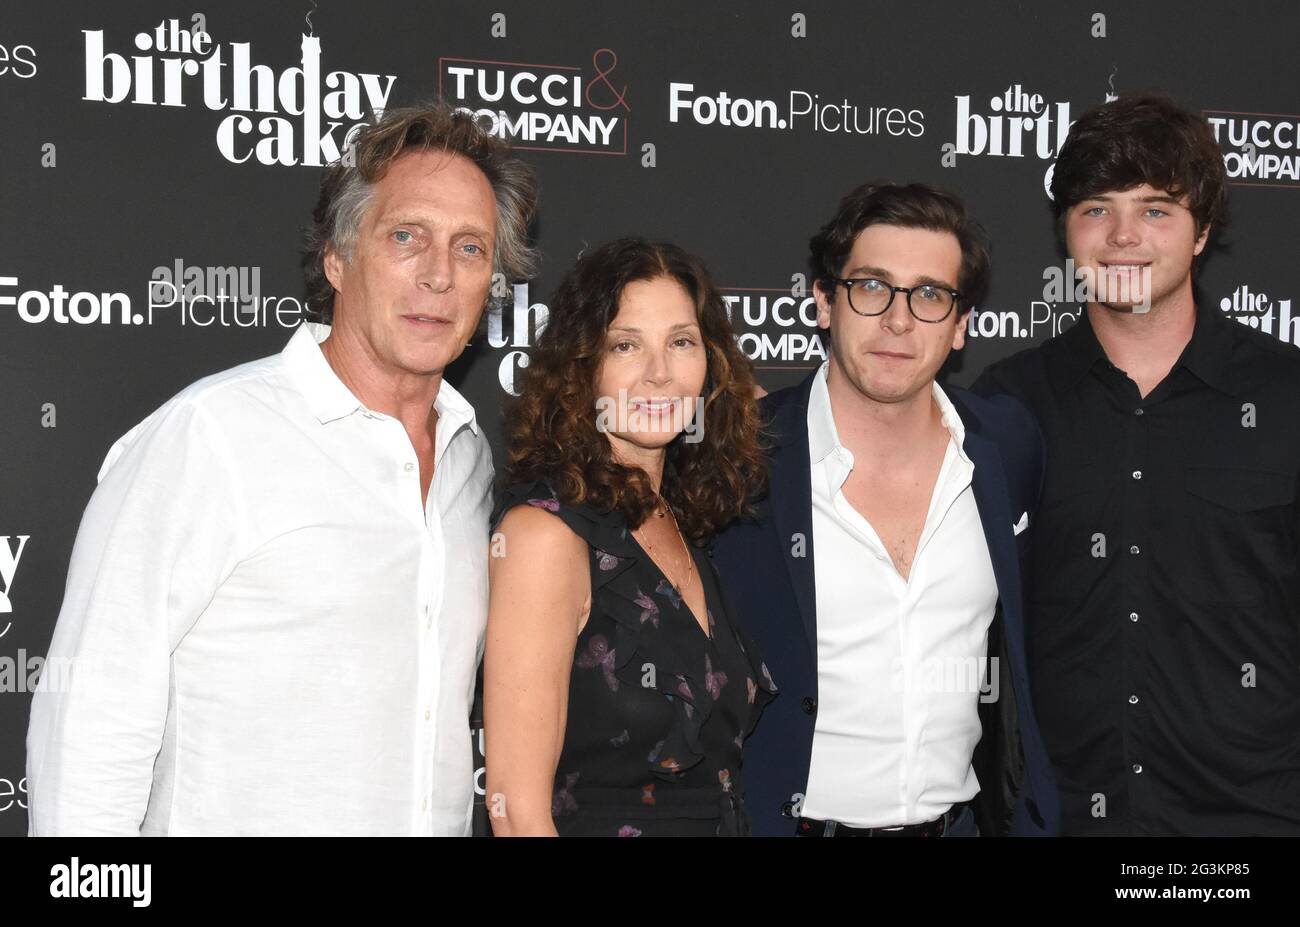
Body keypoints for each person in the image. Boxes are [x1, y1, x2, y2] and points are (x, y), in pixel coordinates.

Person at [25, 103, 539, 835]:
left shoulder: (470, 460)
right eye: (405, 236)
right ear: (338, 256)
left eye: (470, 249)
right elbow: (90, 719)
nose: (438, 276)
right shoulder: (211, 436)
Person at [974, 94, 1300, 835]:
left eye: (1156, 209)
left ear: (1202, 231)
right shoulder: (1006, 407)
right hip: (1059, 821)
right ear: (1066, 231)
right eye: (1096, 208)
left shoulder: (1288, 398)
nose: (1123, 235)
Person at [712, 183, 1059, 837]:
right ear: (823, 301)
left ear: (960, 326)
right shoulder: (739, 458)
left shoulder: (1007, 447)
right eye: (872, 287)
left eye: (929, 294)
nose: (899, 321)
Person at [484, 237, 774, 836]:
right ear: (582, 368)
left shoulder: (680, 523)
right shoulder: (545, 535)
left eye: (681, 342)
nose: (659, 373)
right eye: (625, 345)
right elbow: (516, 814)